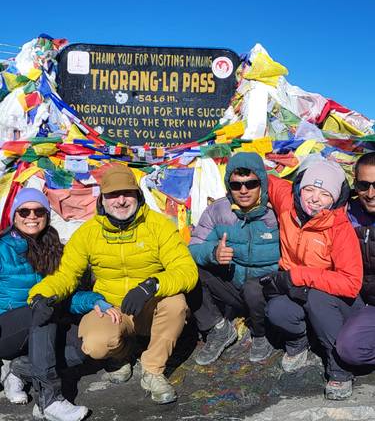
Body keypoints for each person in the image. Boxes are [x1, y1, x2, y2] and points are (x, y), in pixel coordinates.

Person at [28, 164, 198, 405]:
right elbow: (66, 274)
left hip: (149, 307)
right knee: (95, 344)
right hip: (112, 310)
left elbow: (186, 270)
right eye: (112, 195)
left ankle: (152, 370)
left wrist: (152, 286)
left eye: (127, 193)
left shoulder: (159, 226)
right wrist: (42, 293)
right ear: (102, 200)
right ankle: (122, 354)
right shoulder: (88, 233)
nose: (120, 200)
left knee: (176, 304)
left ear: (138, 196)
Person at [262, 159, 363, 400]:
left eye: (325, 193)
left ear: (336, 199)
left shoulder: (339, 228)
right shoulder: (287, 202)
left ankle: (339, 368)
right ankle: (300, 340)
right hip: (297, 291)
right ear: (299, 188)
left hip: (332, 300)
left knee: (317, 298)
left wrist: (298, 276)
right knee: (276, 310)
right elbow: (267, 179)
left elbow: (351, 283)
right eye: (309, 189)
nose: (314, 198)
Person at [0, 188, 101, 421]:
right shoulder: (3, 249)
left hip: (41, 330)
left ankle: (19, 370)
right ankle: (49, 400)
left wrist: (94, 301)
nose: (31, 216)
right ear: (14, 216)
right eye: (24, 211)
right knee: (43, 308)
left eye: (39, 211)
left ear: (47, 215)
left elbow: (66, 294)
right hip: (8, 331)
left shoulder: (56, 248)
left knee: (85, 343)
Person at [188, 152, 280, 365]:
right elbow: (193, 247)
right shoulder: (217, 211)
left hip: (266, 291)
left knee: (253, 287)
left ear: (262, 183)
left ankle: (260, 334)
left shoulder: (276, 213)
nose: (244, 190)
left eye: (251, 183)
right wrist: (213, 253)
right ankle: (219, 328)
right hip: (232, 286)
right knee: (191, 271)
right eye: (236, 185)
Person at [336, 152, 375, 367]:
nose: (370, 193)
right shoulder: (346, 214)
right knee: (350, 349)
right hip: (369, 302)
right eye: (364, 185)